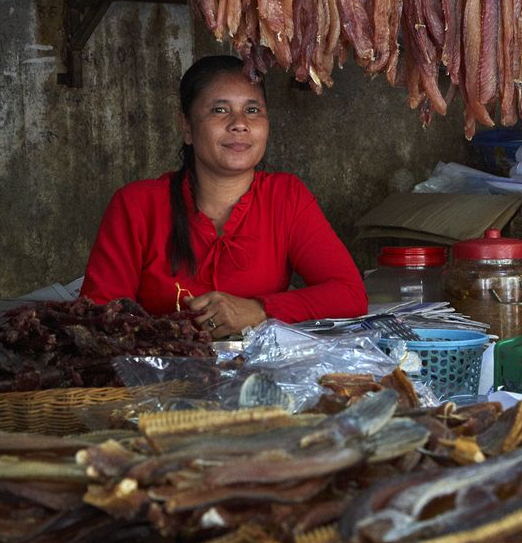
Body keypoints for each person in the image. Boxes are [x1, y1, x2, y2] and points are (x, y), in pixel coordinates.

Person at [81, 55, 368, 336]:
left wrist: (257, 310)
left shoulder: (285, 197)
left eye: (252, 110)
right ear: (187, 127)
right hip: (161, 378)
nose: (239, 123)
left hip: (261, 378)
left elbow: (349, 294)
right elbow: (100, 318)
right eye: (220, 110)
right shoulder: (136, 205)